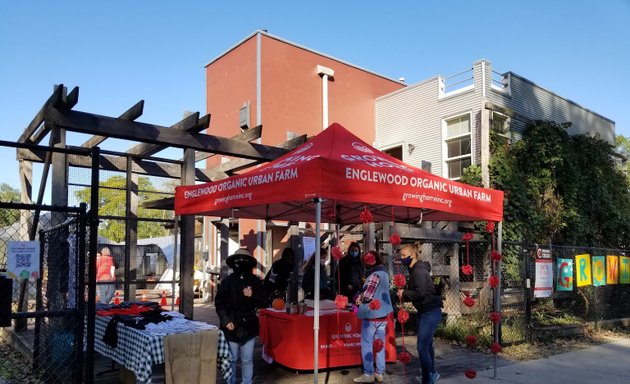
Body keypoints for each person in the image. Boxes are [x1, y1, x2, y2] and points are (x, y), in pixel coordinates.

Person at [215, 248, 269, 384]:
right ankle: (231, 382)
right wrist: (226, 320)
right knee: (231, 359)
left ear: (250, 263)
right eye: (238, 260)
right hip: (231, 325)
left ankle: (247, 382)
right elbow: (219, 304)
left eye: (244, 260)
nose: (241, 263)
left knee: (247, 359)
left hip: (249, 326)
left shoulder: (255, 281)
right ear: (233, 262)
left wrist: (253, 295)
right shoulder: (227, 281)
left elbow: (265, 302)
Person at [397, 243, 443, 384]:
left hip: (429, 312)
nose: (402, 258)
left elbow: (421, 293)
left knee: (422, 347)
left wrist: (404, 292)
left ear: (413, 256)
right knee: (427, 345)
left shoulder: (418, 271)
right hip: (427, 311)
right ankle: (432, 373)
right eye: (401, 256)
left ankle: (427, 379)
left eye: (404, 256)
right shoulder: (416, 270)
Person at [353, 251, 394, 383]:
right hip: (382, 315)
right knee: (379, 344)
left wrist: (359, 299)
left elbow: (368, 296)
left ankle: (368, 373)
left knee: (366, 344)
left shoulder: (374, 275)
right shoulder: (385, 273)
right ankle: (379, 372)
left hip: (371, 315)